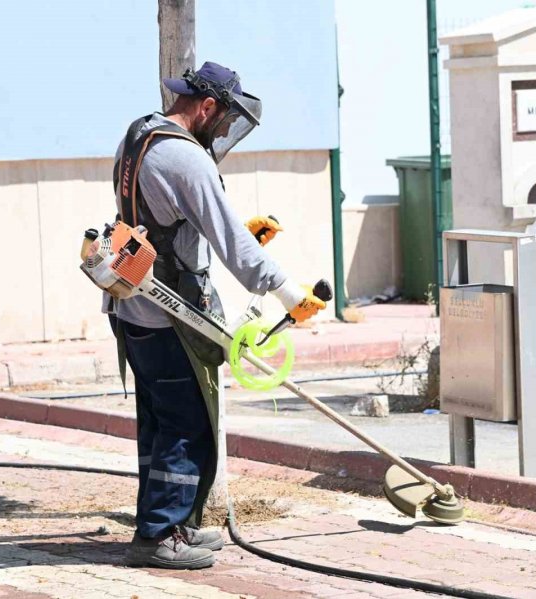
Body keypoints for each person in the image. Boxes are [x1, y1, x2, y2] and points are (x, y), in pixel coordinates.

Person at [104, 61, 326, 570]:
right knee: (187, 423)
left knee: (160, 421)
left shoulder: (139, 137)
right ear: (205, 106)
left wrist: (233, 231)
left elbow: (160, 219)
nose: (224, 130)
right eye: (223, 120)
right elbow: (232, 244)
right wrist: (290, 294)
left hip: (130, 302)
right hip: (167, 312)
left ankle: (169, 524)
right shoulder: (187, 160)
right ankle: (159, 536)